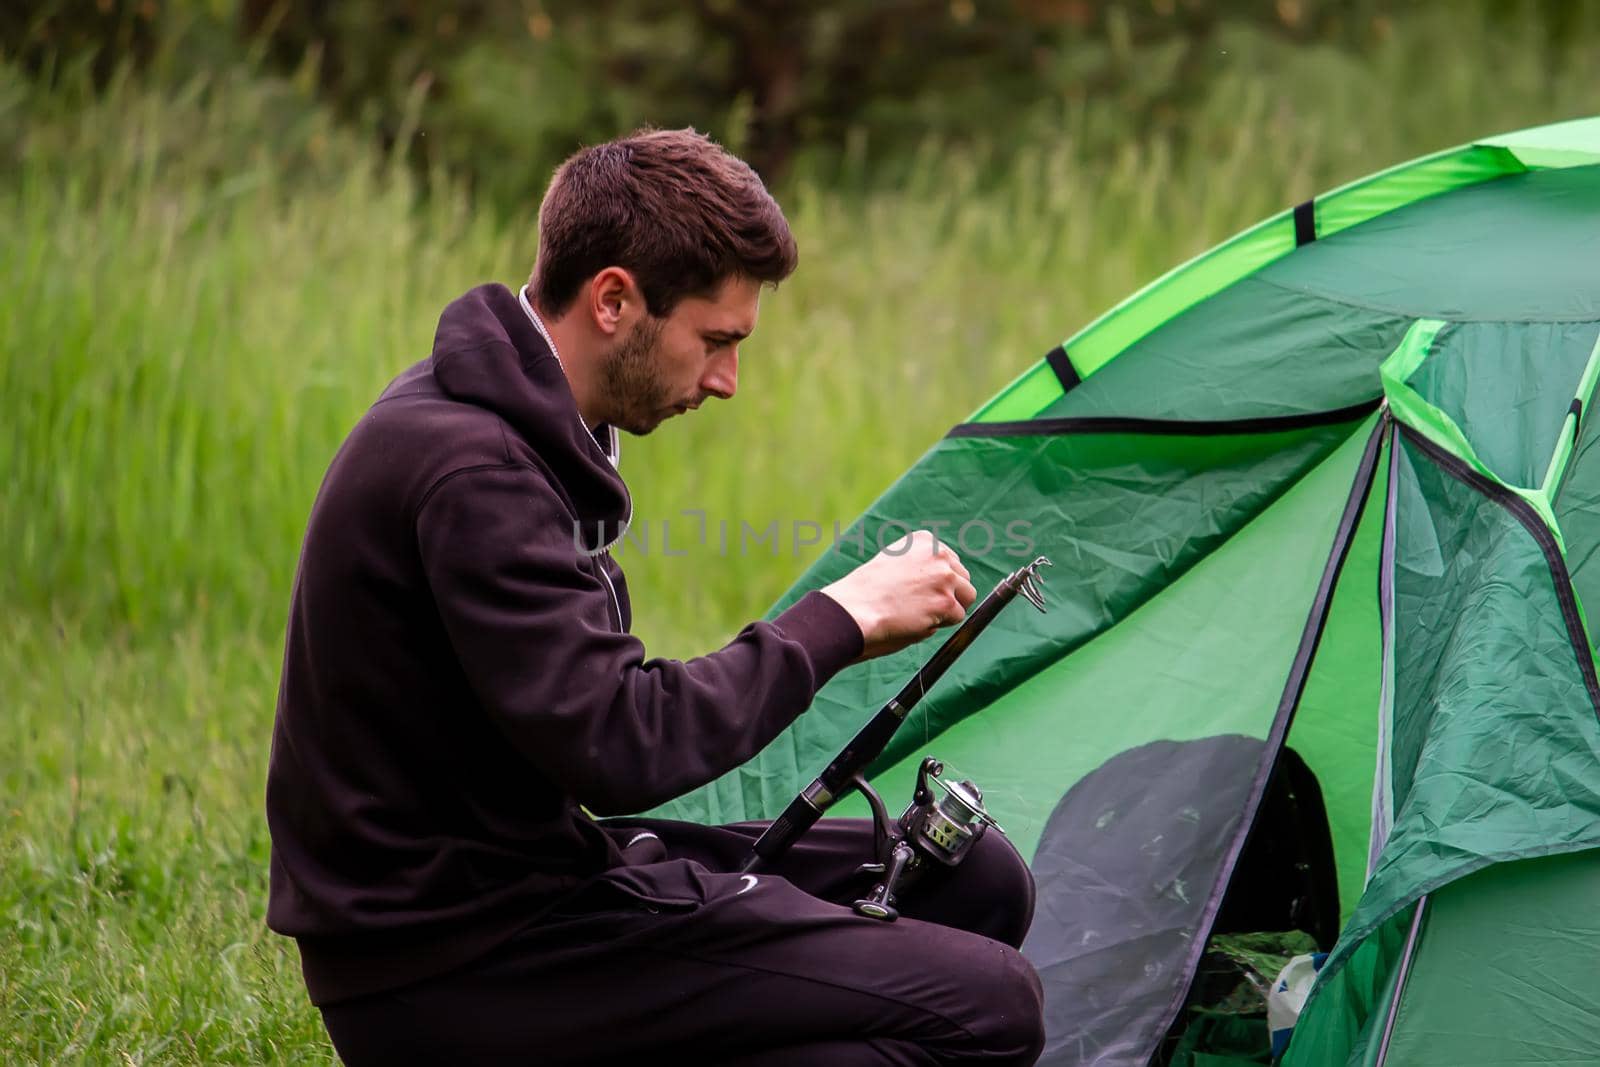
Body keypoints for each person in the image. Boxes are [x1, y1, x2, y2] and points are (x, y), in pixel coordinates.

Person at [265, 127, 1045, 1065]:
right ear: (613, 300)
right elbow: (620, 741)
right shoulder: (472, 470)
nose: (726, 381)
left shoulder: (523, 426)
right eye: (715, 341)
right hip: (457, 964)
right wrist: (843, 617)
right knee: (991, 1007)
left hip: (531, 876)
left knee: (973, 879)